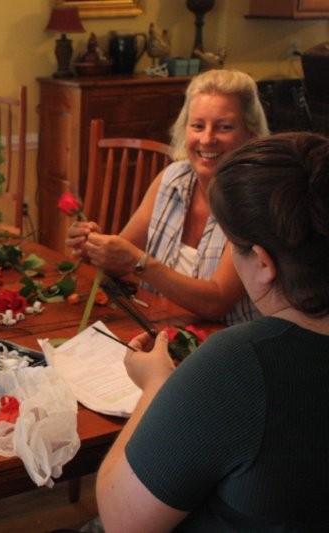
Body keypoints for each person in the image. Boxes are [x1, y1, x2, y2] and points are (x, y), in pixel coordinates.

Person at [96, 132, 329, 531]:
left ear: (262, 262)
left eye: (232, 246)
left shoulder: (242, 362)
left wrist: (156, 386)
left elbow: (123, 520)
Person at [66, 69, 269, 324]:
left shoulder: (255, 198)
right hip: (161, 329)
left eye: (224, 127)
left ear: (251, 134)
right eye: (197, 126)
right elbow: (120, 259)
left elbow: (216, 302)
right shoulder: (172, 178)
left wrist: (138, 262)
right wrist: (92, 247)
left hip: (229, 346)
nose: (207, 139)